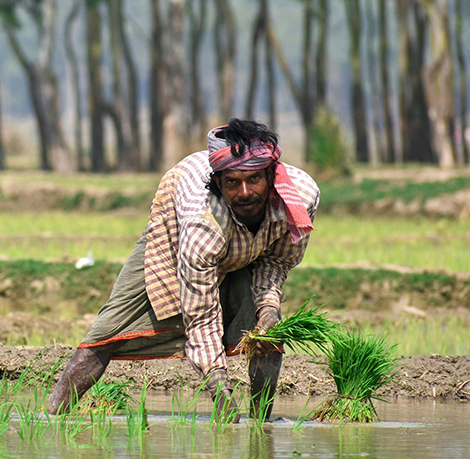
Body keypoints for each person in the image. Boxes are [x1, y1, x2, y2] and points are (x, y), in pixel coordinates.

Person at [45, 119, 320, 422]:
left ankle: (261, 422)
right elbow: (201, 315)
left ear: (271, 175)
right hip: (176, 234)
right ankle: (52, 416)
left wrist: (268, 308)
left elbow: (277, 261)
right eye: (232, 183)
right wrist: (218, 384)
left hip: (246, 248)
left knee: (269, 330)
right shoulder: (202, 221)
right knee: (109, 328)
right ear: (218, 183)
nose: (245, 193)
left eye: (254, 179)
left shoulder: (300, 198)